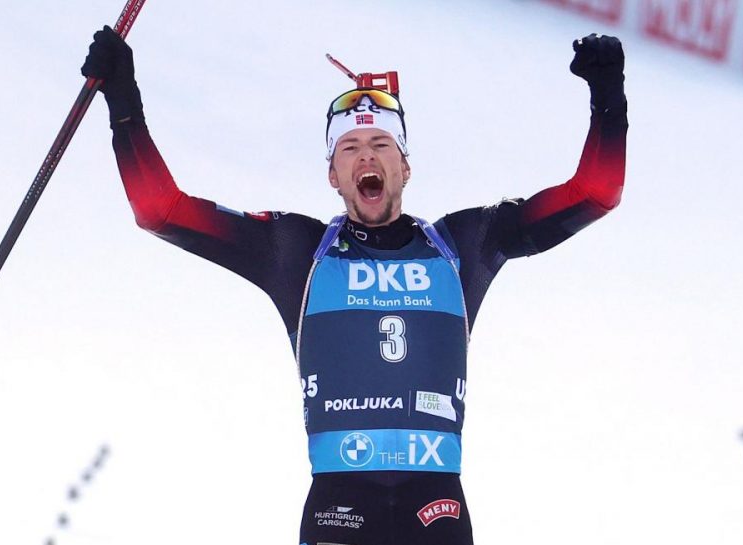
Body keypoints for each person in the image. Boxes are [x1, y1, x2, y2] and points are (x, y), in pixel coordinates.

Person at [82, 27, 627, 545]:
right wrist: (124, 104)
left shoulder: (464, 243)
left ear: (405, 167)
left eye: (381, 143)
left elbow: (596, 193)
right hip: (339, 504)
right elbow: (160, 210)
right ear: (333, 176)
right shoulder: (296, 251)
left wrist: (608, 99)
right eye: (349, 148)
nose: (366, 155)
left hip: (435, 507)